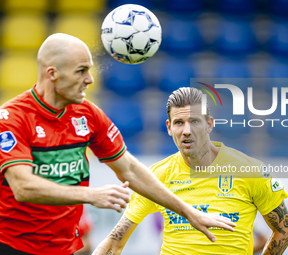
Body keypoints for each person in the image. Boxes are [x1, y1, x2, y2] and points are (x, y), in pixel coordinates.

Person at [0, 34, 235, 255]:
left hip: (64, 248)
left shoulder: (88, 114)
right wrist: (89, 194)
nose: (89, 79)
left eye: (89, 70)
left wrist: (188, 212)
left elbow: (129, 169)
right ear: (52, 73)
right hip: (11, 246)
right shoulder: (12, 118)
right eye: (81, 71)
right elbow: (23, 187)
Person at [92, 87, 288, 255]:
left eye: (194, 121)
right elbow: (114, 242)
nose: (187, 130)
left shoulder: (249, 171)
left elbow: (283, 230)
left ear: (209, 124)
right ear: (169, 127)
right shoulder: (156, 176)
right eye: (179, 123)